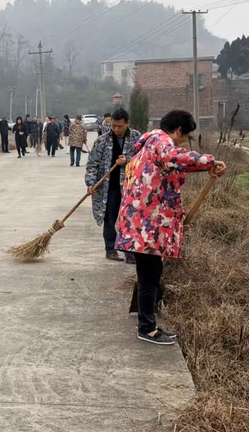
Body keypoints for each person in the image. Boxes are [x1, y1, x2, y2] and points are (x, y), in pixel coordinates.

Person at [115, 110, 226, 345]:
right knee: (149, 276)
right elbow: (174, 158)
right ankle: (147, 328)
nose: (183, 141)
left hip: (142, 224)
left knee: (150, 273)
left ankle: (148, 322)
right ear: (178, 131)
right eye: (184, 137)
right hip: (146, 226)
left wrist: (204, 167)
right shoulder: (161, 141)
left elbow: (176, 162)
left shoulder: (148, 144)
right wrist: (209, 161)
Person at [84, 107, 140, 263]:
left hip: (131, 187)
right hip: (109, 187)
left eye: (119, 126)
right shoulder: (102, 140)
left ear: (127, 124)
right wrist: (91, 183)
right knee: (109, 218)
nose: (115, 129)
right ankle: (110, 248)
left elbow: (144, 162)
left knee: (129, 219)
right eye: (113, 126)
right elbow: (92, 165)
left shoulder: (137, 139)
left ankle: (130, 252)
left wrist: (128, 160)